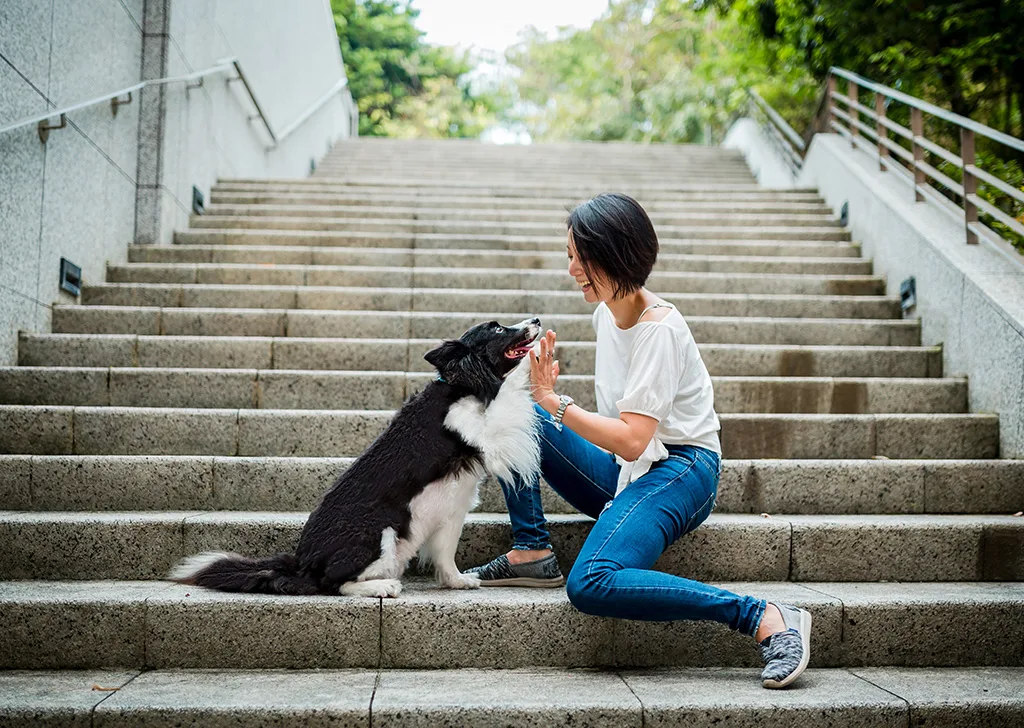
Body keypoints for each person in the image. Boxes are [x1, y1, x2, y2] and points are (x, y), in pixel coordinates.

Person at [464, 193, 812, 689]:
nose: (571, 269)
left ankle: (763, 616)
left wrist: (554, 401)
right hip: (629, 470)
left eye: (581, 258)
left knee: (592, 581)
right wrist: (538, 400)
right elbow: (621, 444)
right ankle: (532, 549)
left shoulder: (660, 330)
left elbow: (632, 440)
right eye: (569, 256)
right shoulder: (606, 313)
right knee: (516, 416)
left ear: (616, 253)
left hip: (682, 470)